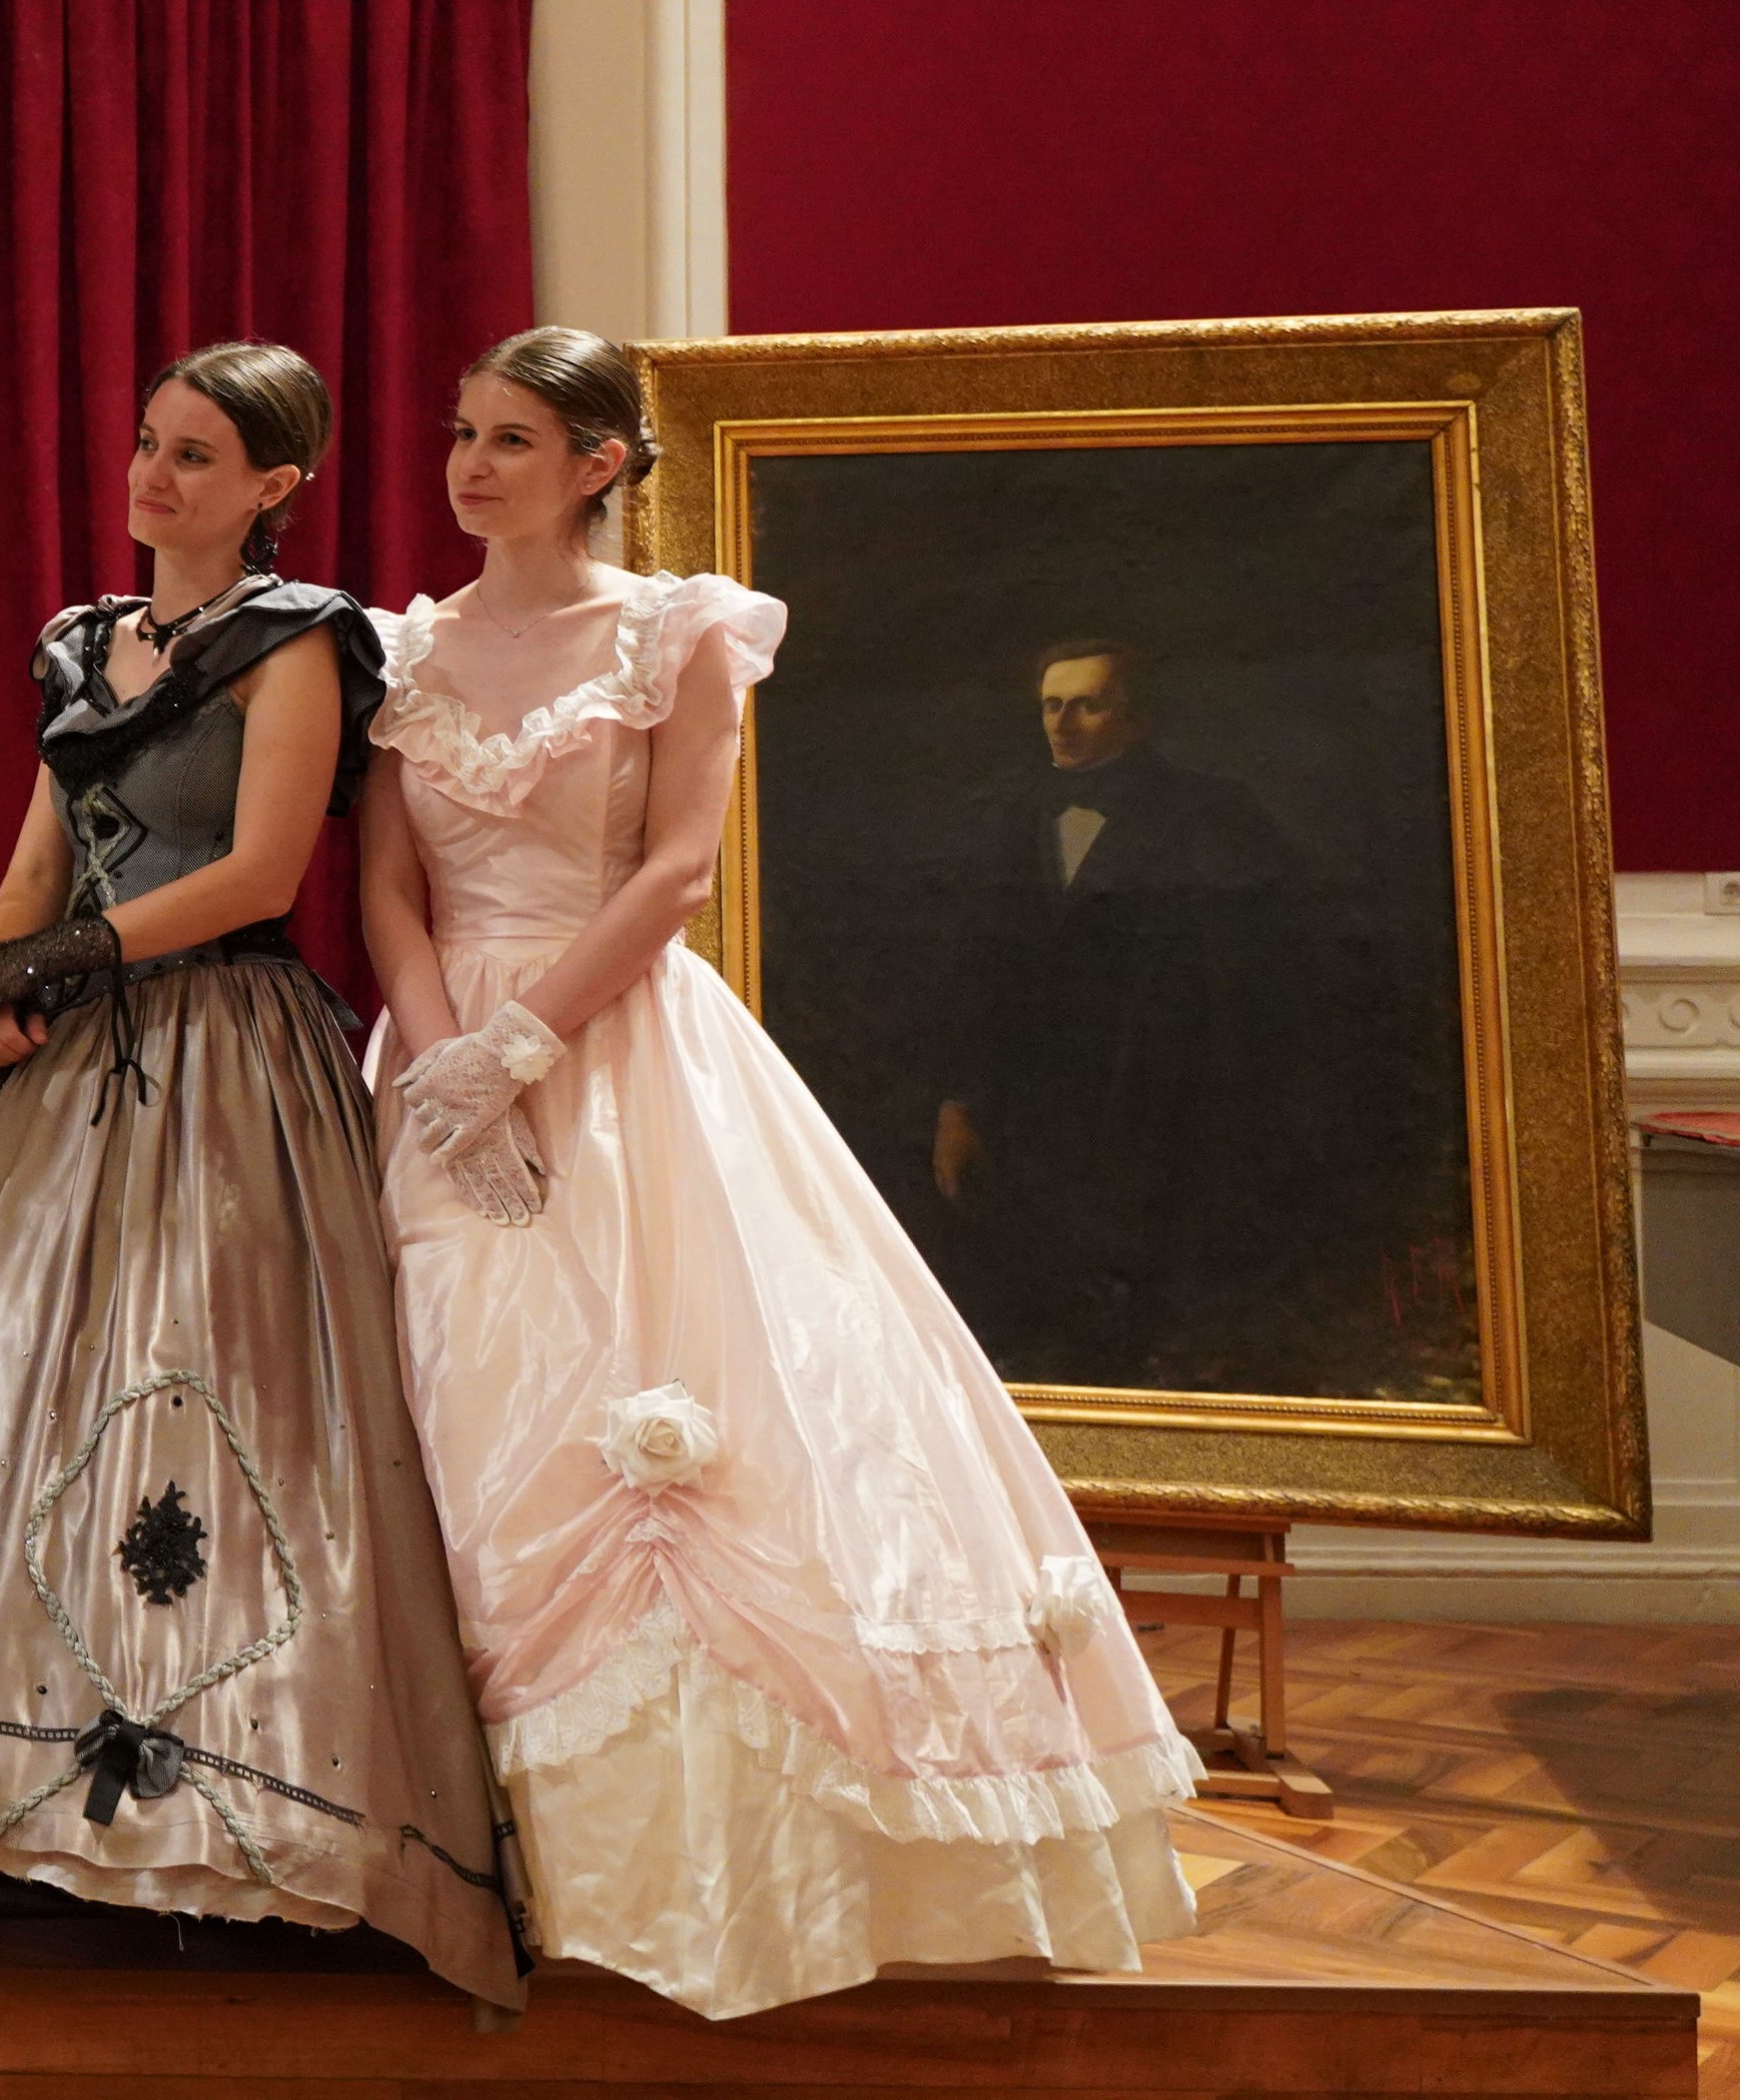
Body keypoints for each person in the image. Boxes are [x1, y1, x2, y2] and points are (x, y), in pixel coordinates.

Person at [354, 327, 1202, 2019]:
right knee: (449, 1387)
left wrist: (522, 1049)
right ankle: (438, 1854)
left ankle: (682, 1873)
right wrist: (445, 1065)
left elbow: (675, 870)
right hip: (434, 1066)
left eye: (509, 438)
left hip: (616, 1048)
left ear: (597, 463)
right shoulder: (404, 648)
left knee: (678, 1404)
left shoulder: (680, 631)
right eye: (460, 432)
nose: (468, 465)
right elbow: (386, 881)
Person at [0, 344, 523, 2012]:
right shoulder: (78, 637)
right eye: (145, 442)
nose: (150, 475)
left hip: (221, 1048)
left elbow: (258, 871)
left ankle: (215, 1811)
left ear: (273, 487)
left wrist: (46, 960)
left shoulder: (301, 639)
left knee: (207, 1386)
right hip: (60, 1053)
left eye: (194, 456)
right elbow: (42, 845)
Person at [930, 638, 1303, 1386]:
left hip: (1162, 1104)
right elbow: (973, 976)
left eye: (1087, 705)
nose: (1062, 723)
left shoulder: (1213, 814)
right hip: (1027, 1108)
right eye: (1051, 705)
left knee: (1151, 1314)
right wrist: (958, 1100)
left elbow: (1263, 976)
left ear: (1135, 717)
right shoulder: (1003, 817)